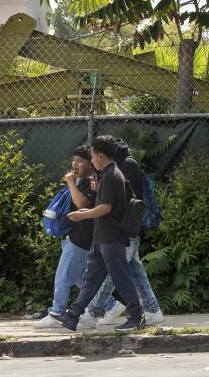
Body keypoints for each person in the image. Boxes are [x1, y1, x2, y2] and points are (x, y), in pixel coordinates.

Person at [51, 135, 144, 333]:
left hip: (111, 237)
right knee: (91, 278)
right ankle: (73, 315)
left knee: (121, 277)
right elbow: (102, 206)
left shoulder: (112, 175)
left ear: (100, 156)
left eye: (92, 157)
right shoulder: (107, 174)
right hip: (102, 237)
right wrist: (85, 212)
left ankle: (137, 317)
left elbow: (106, 208)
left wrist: (83, 216)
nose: (91, 161)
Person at [84, 139, 164, 326]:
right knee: (134, 269)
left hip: (125, 228)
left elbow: (121, 199)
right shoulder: (121, 166)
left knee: (115, 271)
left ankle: (93, 312)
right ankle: (152, 310)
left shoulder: (125, 165)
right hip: (124, 227)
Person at [35, 145, 117, 328]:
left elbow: (81, 203)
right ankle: (111, 303)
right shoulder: (85, 181)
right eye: (74, 160)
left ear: (92, 163)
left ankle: (56, 312)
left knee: (63, 276)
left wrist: (71, 183)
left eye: (80, 160)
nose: (75, 164)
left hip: (80, 237)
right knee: (80, 277)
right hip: (74, 235)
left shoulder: (91, 181)